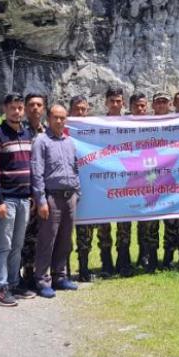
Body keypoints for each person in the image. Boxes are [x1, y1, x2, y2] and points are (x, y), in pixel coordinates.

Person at [0, 93, 34, 306]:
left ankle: (13, 283)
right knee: (3, 244)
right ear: (5, 109)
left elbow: (30, 167)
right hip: (7, 199)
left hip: (24, 198)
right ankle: (0, 287)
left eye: (20, 108)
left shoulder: (26, 134)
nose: (17, 111)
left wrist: (31, 193)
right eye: (13, 108)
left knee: (18, 244)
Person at [31, 104, 80, 298]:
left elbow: (75, 168)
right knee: (47, 240)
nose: (59, 121)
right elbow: (37, 172)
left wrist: (78, 193)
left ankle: (60, 276)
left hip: (70, 197)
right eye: (55, 117)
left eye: (62, 118)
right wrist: (41, 200)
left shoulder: (70, 142)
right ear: (48, 119)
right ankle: (42, 280)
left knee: (65, 240)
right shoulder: (41, 141)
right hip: (51, 197)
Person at [98, 87, 132, 277]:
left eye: (119, 101)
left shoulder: (131, 123)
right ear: (106, 102)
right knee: (103, 225)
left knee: (124, 226)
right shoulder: (97, 124)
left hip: (126, 182)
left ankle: (123, 261)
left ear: (123, 103)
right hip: (104, 181)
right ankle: (106, 263)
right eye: (112, 101)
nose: (115, 104)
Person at [18, 93, 47, 292]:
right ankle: (20, 276)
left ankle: (37, 273)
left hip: (46, 193)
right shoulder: (19, 132)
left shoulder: (49, 131)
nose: (35, 108)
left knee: (41, 235)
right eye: (31, 105)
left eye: (39, 105)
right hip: (26, 193)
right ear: (26, 108)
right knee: (22, 236)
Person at [161, 90, 179, 268]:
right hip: (168, 175)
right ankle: (169, 255)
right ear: (174, 103)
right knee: (172, 216)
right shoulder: (167, 122)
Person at [130, 92, 159, 272]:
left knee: (152, 219)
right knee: (137, 218)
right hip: (131, 177)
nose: (141, 109)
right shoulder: (120, 125)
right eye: (137, 106)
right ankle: (139, 254)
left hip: (154, 176)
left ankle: (152, 255)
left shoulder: (155, 123)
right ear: (130, 106)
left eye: (143, 106)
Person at [69, 96, 95, 281]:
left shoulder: (95, 130)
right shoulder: (63, 130)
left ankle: (84, 268)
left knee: (85, 233)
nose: (80, 112)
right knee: (63, 235)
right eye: (77, 109)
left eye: (83, 109)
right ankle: (62, 271)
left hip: (90, 189)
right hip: (66, 190)